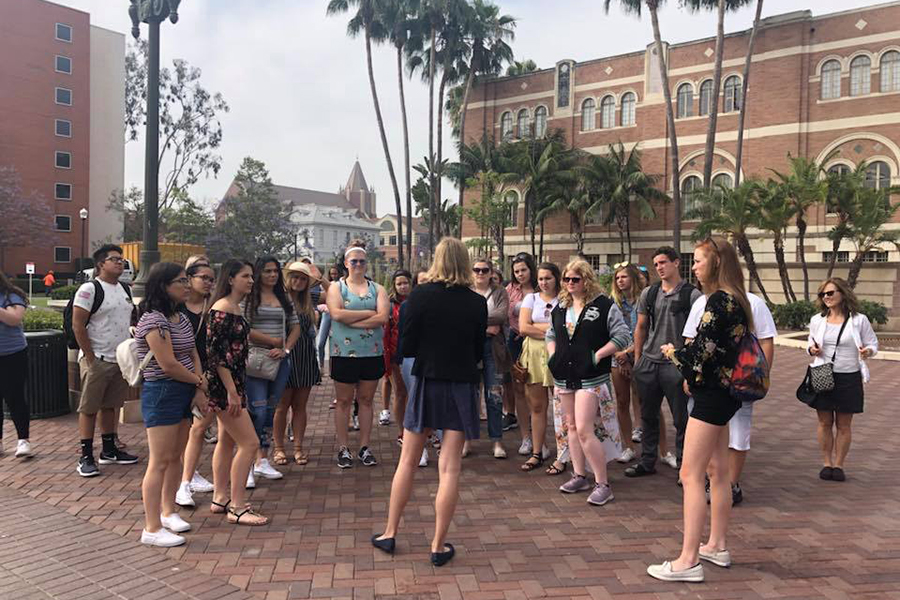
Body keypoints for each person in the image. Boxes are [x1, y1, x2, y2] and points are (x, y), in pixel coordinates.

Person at [371, 237, 487, 567]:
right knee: (449, 466)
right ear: (465, 262)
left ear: (436, 259)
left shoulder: (418, 297)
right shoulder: (476, 303)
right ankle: (437, 545)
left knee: (408, 460)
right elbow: (479, 351)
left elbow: (405, 347)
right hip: (462, 383)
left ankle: (390, 532)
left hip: (427, 381)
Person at [648, 237, 753, 582]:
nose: (693, 267)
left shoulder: (719, 301)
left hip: (711, 395)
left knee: (689, 474)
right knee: (716, 471)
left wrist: (671, 352)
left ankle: (688, 559)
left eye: (697, 261)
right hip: (727, 395)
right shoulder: (736, 300)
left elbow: (699, 355)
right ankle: (716, 545)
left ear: (716, 263)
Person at [135, 262, 206, 547]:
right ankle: (151, 527)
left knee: (175, 456)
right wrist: (199, 383)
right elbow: (168, 364)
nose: (187, 286)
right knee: (160, 460)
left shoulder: (180, 317)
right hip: (163, 391)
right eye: (180, 281)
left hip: (184, 389)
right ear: (163, 286)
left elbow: (192, 352)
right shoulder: (154, 320)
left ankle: (168, 512)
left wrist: (196, 382)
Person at [683, 287, 776, 505]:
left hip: (739, 378)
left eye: (699, 262)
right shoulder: (701, 302)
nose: (695, 268)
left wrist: (760, 377)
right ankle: (712, 480)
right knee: (707, 436)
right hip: (706, 384)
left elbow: (765, 340)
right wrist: (688, 375)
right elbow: (691, 340)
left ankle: (731, 483)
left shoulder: (752, 302)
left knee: (738, 434)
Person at [547, 259, 628, 507]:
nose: (570, 284)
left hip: (591, 375)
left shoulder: (603, 305)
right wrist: (553, 354)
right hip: (564, 373)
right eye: (566, 279)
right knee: (570, 426)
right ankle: (579, 474)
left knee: (584, 428)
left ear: (586, 280)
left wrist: (599, 354)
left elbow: (622, 335)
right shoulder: (560, 307)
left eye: (576, 279)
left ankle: (602, 483)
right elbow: (551, 333)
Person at [626, 247, 701, 479]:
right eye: (656, 263)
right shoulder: (649, 293)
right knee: (648, 416)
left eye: (663, 262)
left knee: (681, 419)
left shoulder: (692, 295)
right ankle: (647, 461)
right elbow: (641, 327)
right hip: (649, 362)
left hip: (676, 365)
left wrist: (690, 367)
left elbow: (697, 333)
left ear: (677, 263)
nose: (659, 267)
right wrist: (638, 360)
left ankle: (684, 467)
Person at [206, 260, 268, 526]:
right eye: (245, 276)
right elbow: (217, 357)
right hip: (226, 386)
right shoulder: (222, 309)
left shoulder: (232, 308)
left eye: (251, 276)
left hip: (232, 384)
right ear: (230, 279)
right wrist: (232, 392)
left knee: (228, 440)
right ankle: (238, 506)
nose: (251, 281)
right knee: (250, 443)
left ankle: (221, 497)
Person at [72, 244, 139, 477]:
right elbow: (77, 325)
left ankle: (109, 450)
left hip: (118, 359)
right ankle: (86, 456)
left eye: (122, 260)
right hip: (97, 358)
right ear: (101, 264)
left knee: (111, 406)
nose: (120, 263)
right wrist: (90, 358)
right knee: (89, 408)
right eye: (115, 259)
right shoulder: (89, 289)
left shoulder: (124, 289)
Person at [806, 277, 877, 482]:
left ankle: (839, 465)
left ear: (842, 294)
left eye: (830, 293)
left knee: (844, 424)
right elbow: (811, 343)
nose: (826, 297)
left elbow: (873, 343)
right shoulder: (817, 320)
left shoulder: (858, 320)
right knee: (824, 422)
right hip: (822, 372)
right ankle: (826, 463)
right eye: (823, 294)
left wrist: (868, 351)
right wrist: (812, 349)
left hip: (849, 374)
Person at [326, 240, 389, 468]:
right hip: (343, 353)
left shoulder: (378, 289)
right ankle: (343, 447)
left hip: (371, 353)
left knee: (366, 400)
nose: (359, 265)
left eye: (362, 261)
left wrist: (352, 318)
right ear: (346, 263)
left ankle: (364, 446)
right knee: (343, 401)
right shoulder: (336, 288)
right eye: (354, 261)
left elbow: (383, 317)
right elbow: (336, 314)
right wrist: (367, 314)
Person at [244, 256, 301, 484]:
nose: (272, 275)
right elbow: (243, 327)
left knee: (270, 409)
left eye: (275, 271)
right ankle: (246, 463)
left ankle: (262, 460)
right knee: (255, 410)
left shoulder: (283, 296)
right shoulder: (249, 297)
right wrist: (271, 341)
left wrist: (285, 349)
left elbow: (295, 326)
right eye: (267, 271)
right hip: (256, 359)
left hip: (279, 361)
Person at [176, 261, 217, 508]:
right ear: (189, 278)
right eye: (203, 277)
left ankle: (189, 477)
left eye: (211, 278)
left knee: (199, 427)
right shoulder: (178, 308)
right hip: (184, 374)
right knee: (189, 428)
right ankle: (184, 481)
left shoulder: (213, 305)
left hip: (209, 373)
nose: (208, 282)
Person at [273, 261, 322, 466]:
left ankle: (299, 448)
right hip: (284, 355)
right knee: (281, 406)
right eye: (295, 277)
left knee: (300, 406)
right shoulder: (278, 299)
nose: (299, 282)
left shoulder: (309, 298)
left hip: (305, 355)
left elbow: (338, 295)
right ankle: (279, 448)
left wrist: (318, 278)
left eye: (303, 278)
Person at [517, 262, 560, 471]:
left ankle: (565, 453)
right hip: (533, 355)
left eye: (548, 278)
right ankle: (537, 451)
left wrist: (540, 328)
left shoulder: (564, 300)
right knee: (537, 406)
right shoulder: (530, 298)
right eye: (541, 278)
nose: (544, 282)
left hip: (558, 355)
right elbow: (523, 327)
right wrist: (552, 329)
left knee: (561, 406)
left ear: (556, 279)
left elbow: (568, 329)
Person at [471, 258, 510, 459]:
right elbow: (462, 317)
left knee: (494, 394)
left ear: (490, 272)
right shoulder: (465, 291)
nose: (480, 273)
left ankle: (496, 440)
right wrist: (485, 325)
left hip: (493, 349)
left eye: (484, 270)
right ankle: (467, 440)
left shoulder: (500, 292)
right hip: (470, 349)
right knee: (470, 394)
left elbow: (502, 316)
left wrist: (474, 322)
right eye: (476, 269)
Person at [609, 263, 644, 465]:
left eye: (624, 277)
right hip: (618, 356)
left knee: (641, 395)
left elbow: (645, 330)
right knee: (622, 401)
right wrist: (620, 354)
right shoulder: (613, 303)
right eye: (617, 278)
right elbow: (610, 331)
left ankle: (642, 431)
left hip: (639, 354)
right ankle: (627, 446)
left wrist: (630, 352)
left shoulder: (642, 300)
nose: (620, 280)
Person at [504, 254, 536, 448]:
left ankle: (539, 428)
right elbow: (506, 314)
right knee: (519, 387)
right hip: (516, 340)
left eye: (523, 269)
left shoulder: (541, 288)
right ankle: (526, 437)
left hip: (539, 341)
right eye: (517, 271)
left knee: (538, 389)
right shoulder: (510, 289)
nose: (520, 274)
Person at [0, 273, 32, 458]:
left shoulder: (11, 295)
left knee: (15, 397)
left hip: (12, 355)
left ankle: (23, 440)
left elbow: (14, 318)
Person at [382, 270, 411, 430]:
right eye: (399, 284)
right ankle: (402, 431)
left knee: (412, 393)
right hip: (394, 354)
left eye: (405, 283)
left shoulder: (417, 301)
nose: (402, 287)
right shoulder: (389, 304)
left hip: (413, 353)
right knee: (400, 392)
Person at [317, 264, 343, 369]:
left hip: (337, 315)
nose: (334, 276)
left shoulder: (342, 284)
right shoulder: (323, 285)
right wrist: (323, 308)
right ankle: (322, 366)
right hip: (327, 314)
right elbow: (317, 300)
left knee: (335, 344)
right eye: (332, 274)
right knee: (321, 342)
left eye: (335, 273)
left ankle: (333, 368)